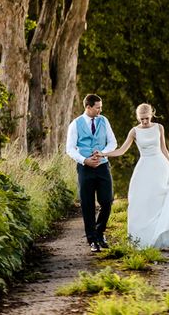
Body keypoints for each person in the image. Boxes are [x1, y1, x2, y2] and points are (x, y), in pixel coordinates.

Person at [98, 103, 169, 250]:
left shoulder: (159, 128)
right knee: (143, 201)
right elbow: (121, 150)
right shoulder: (134, 131)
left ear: (151, 115)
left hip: (160, 166)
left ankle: (167, 238)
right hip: (144, 168)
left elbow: (164, 149)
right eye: (141, 119)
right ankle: (144, 239)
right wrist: (104, 153)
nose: (145, 122)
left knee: (164, 199)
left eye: (147, 118)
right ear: (138, 118)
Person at [65, 93, 117, 253]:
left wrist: (102, 153)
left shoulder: (104, 121)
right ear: (88, 107)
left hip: (102, 166)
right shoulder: (75, 124)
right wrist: (84, 160)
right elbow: (70, 149)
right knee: (87, 204)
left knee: (107, 201)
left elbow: (113, 142)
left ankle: (100, 233)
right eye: (98, 108)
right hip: (85, 168)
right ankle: (92, 239)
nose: (100, 110)